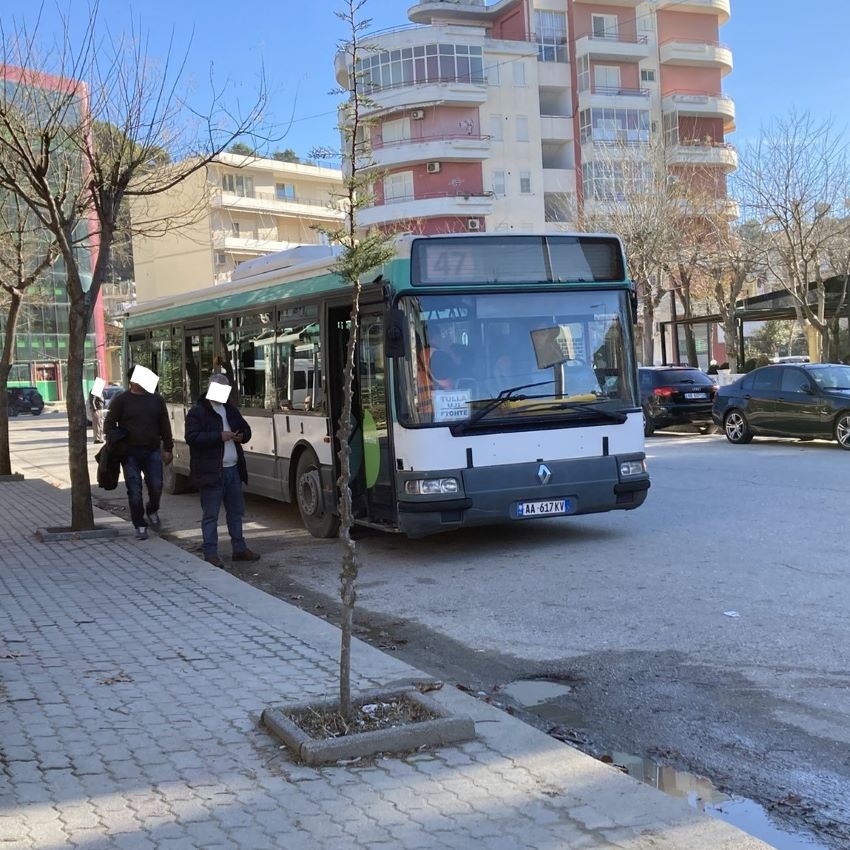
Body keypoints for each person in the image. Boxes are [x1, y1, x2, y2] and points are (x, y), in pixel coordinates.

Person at [184, 374, 260, 568]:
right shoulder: (197, 412)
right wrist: (219, 436)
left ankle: (239, 549)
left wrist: (241, 436)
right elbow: (192, 437)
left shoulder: (230, 409)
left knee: (236, 512)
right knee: (211, 514)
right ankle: (211, 552)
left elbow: (247, 430)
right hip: (211, 472)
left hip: (233, 470)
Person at [103, 370, 173, 540]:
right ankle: (139, 524)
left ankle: (152, 509)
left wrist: (168, 448)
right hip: (129, 453)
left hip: (152, 451)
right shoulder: (122, 400)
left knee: (156, 485)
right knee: (134, 490)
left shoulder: (156, 399)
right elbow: (109, 423)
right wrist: (117, 436)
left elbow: (165, 424)